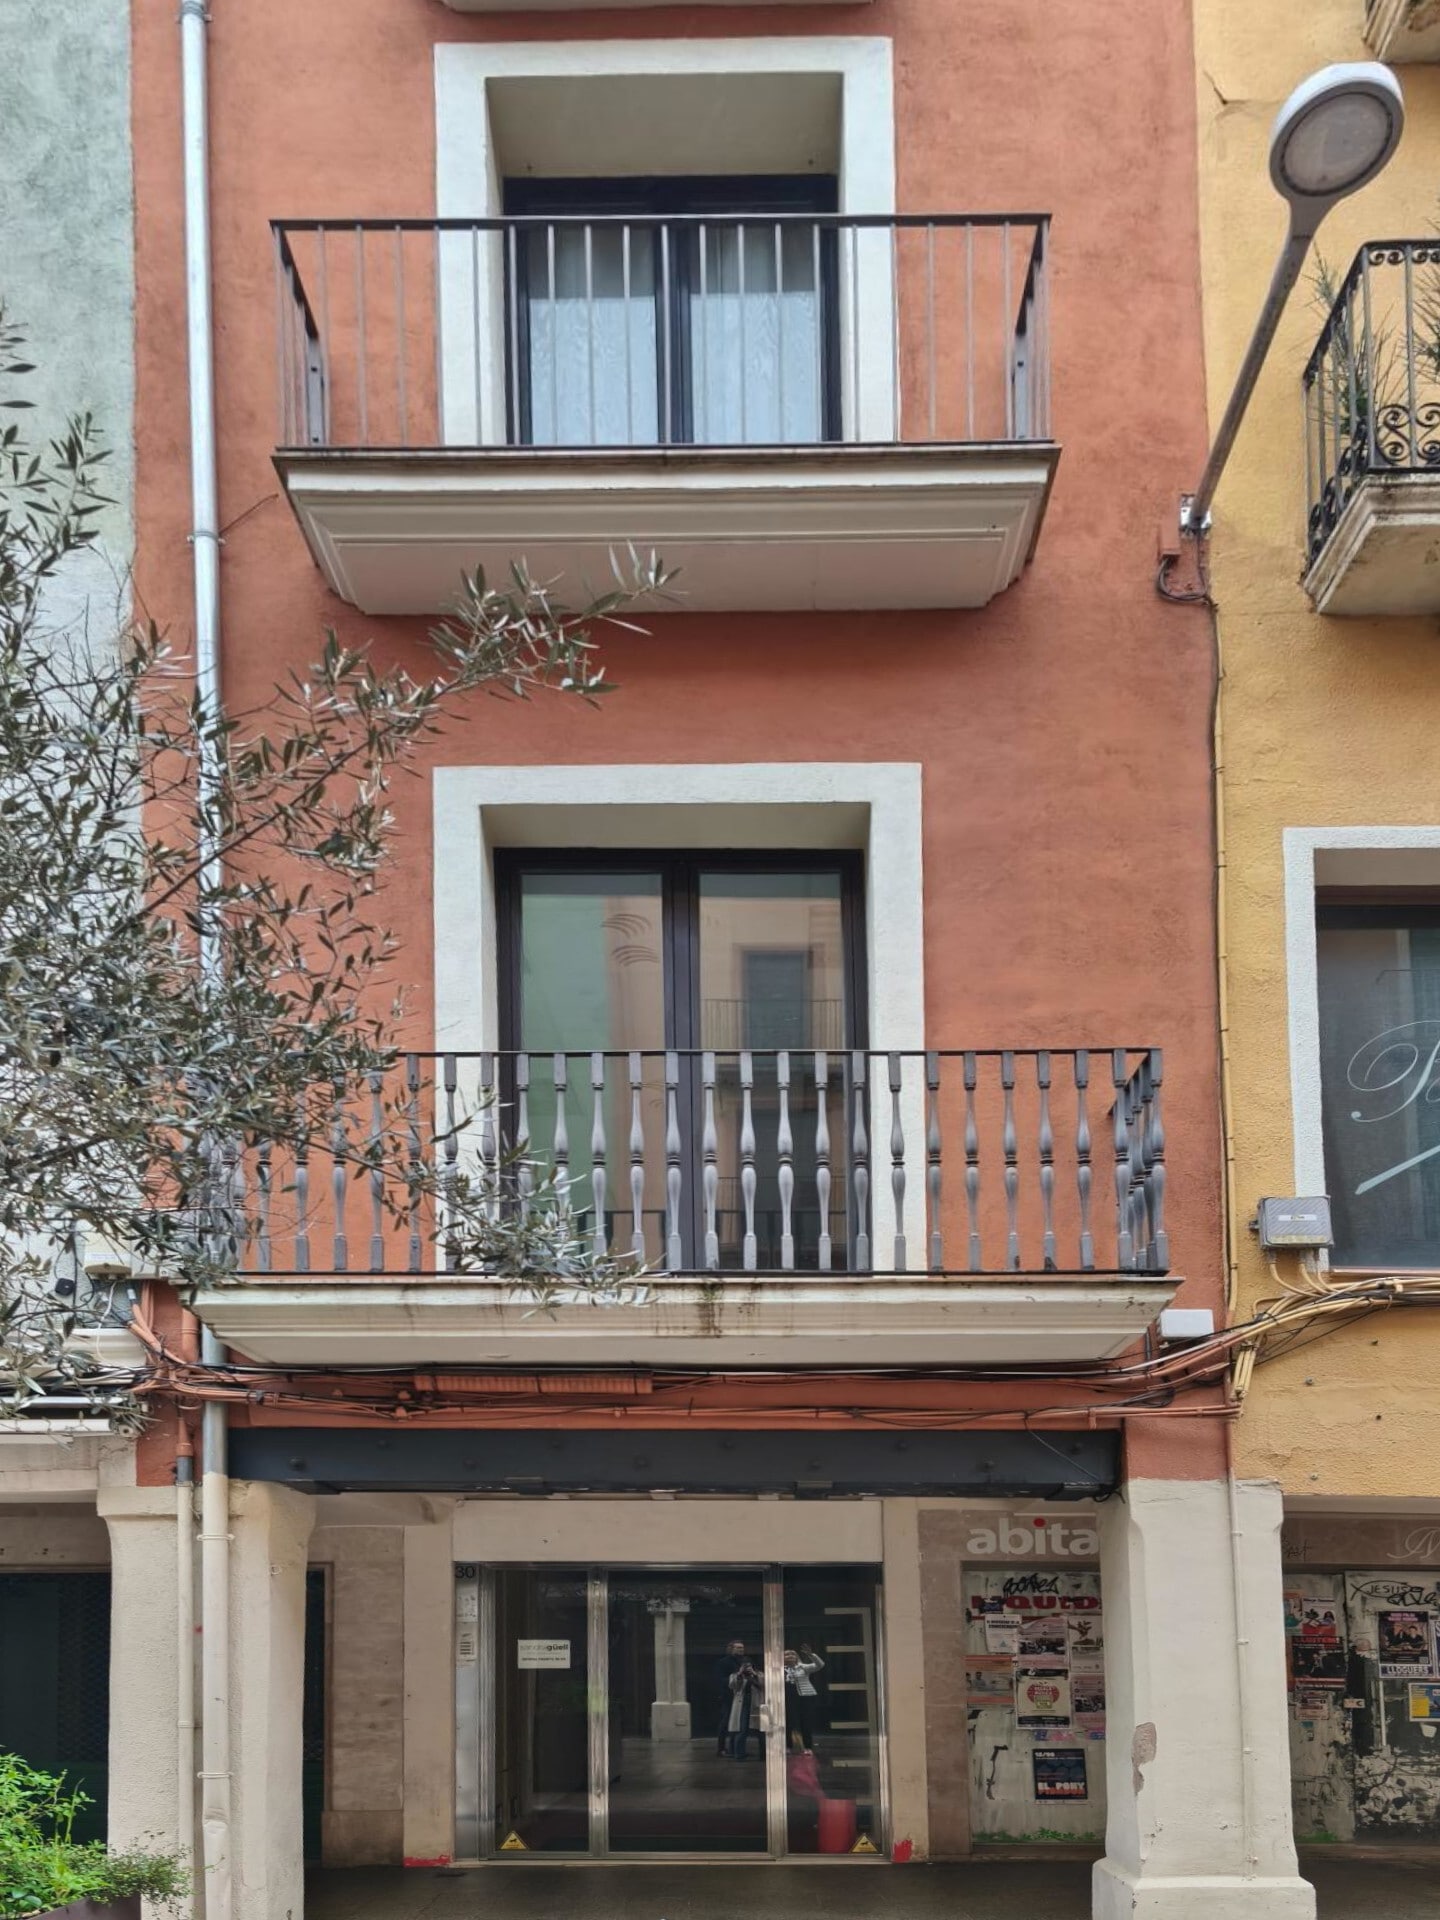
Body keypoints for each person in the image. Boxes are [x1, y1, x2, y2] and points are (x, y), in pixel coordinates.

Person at [715, 1640, 763, 1759]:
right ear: (731, 1648)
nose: (741, 1650)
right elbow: (722, 1680)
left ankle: (735, 1750)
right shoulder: (723, 1662)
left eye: (742, 1648)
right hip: (730, 1696)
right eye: (738, 1648)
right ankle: (723, 1749)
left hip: (747, 1696)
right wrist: (739, 1674)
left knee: (742, 1725)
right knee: (728, 1723)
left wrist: (752, 1674)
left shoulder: (747, 1660)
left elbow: (760, 1679)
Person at [784, 1643, 825, 1753]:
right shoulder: (778, 1669)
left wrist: (811, 1655)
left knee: (806, 1722)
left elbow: (820, 1665)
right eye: (787, 1655)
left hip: (805, 1697)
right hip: (787, 1698)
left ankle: (807, 1747)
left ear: (797, 1657)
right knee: (788, 1722)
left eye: (793, 1655)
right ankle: (788, 1746)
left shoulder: (803, 1667)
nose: (790, 1657)